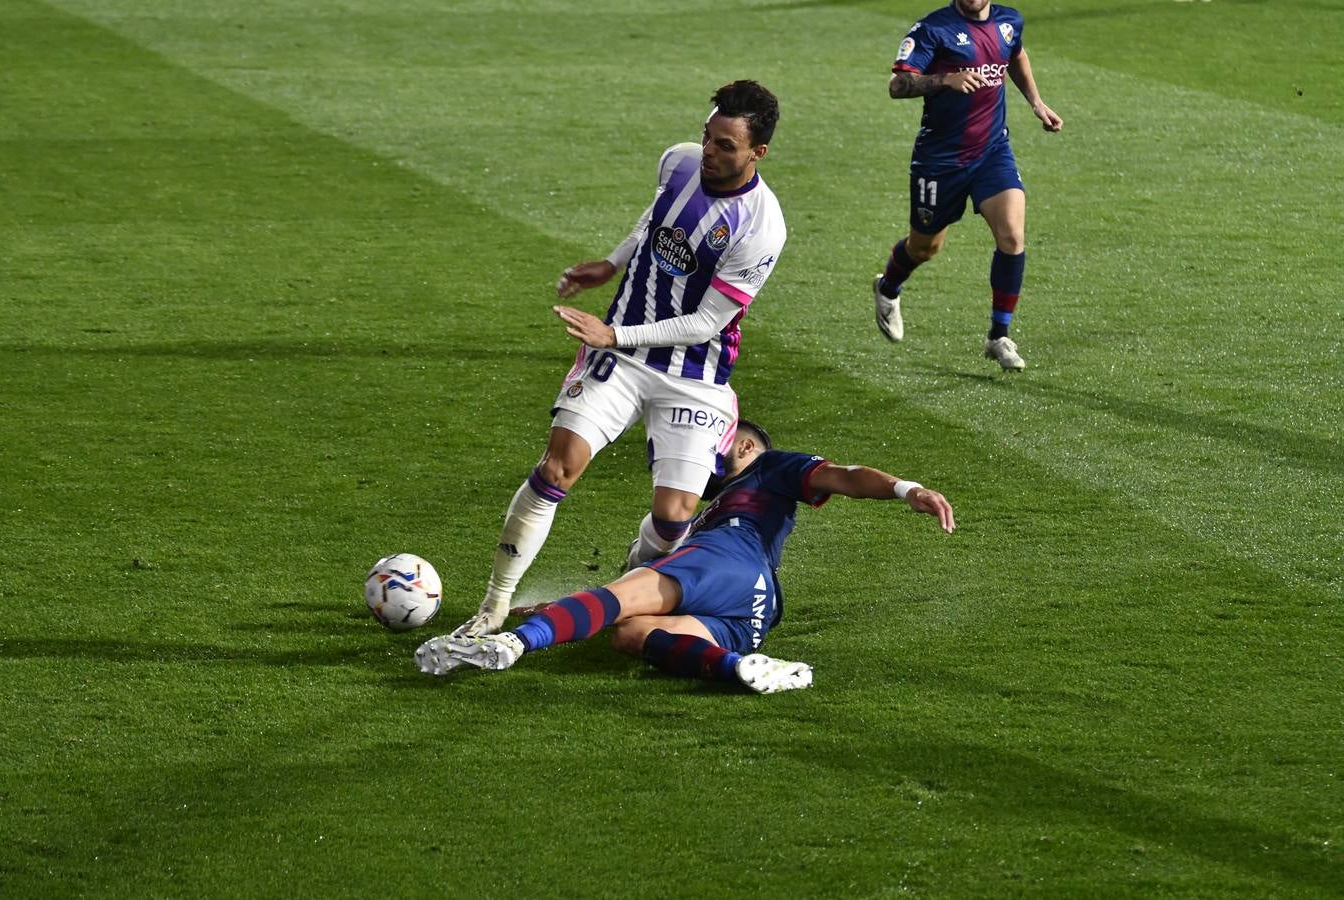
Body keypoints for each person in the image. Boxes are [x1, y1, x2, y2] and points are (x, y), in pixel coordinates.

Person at [450, 81, 788, 640]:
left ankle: (628, 590)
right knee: (559, 466)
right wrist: (611, 264)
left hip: (693, 374)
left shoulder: (761, 225)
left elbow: (708, 322)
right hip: (622, 357)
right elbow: (655, 219)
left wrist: (615, 333)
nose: (709, 150)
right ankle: (494, 603)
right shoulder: (678, 162)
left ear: (758, 153)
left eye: (726, 145)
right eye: (708, 137)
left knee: (676, 516)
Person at [417, 420, 955, 693]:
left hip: (731, 559)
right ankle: (741, 667)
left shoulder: (769, 469)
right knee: (629, 632)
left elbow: (845, 476)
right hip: (754, 611)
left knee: (619, 604)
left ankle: (512, 646)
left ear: (745, 446)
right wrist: (566, 607)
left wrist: (908, 490)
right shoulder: (701, 513)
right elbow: (632, 598)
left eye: (718, 437)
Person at [873, 0, 1063, 370]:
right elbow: (898, 86)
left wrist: (1036, 103)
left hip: (992, 151)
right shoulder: (932, 30)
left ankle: (998, 336)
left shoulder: (1009, 21)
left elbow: (1016, 55)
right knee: (925, 247)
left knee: (1011, 236)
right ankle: (888, 287)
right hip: (939, 160)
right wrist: (945, 79)